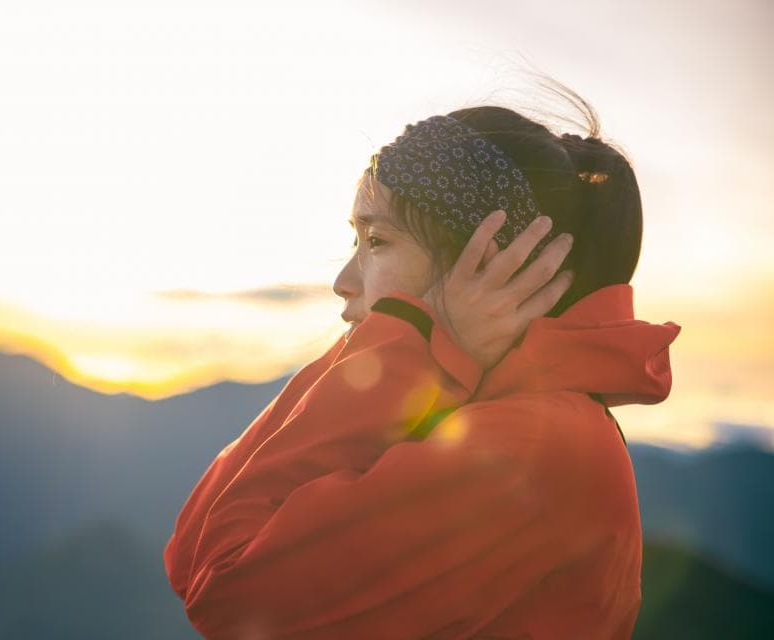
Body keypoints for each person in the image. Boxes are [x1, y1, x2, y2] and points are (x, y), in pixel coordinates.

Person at [163, 86, 681, 639]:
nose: (344, 281)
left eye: (378, 241)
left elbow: (229, 597)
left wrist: (416, 343)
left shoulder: (537, 444)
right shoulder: (480, 406)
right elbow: (190, 554)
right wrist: (430, 347)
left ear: (494, 260)